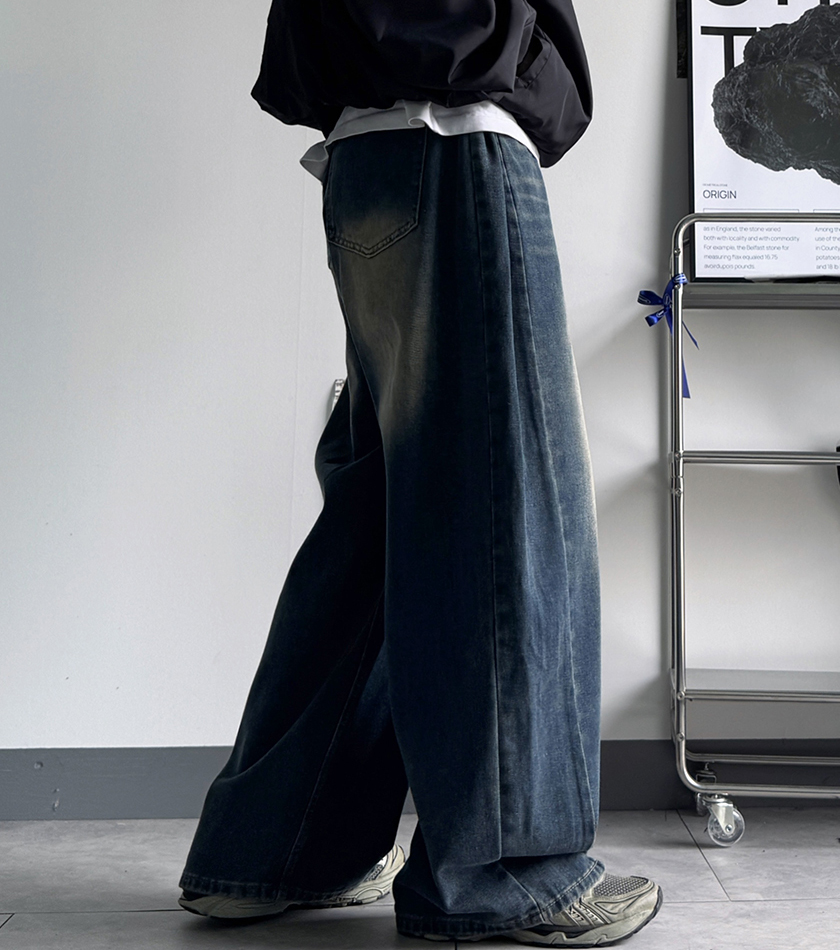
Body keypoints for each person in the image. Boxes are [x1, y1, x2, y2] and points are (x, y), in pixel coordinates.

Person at [177, 1, 662, 944]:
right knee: (506, 515)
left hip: (368, 159)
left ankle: (273, 850)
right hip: (456, 150)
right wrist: (522, 59)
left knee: (378, 527)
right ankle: (504, 874)